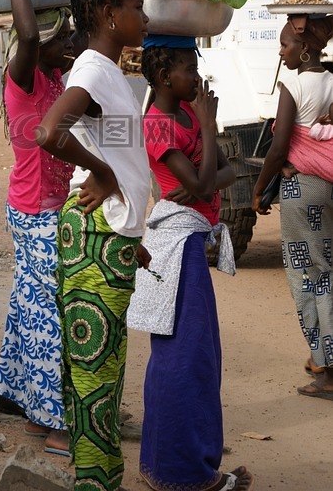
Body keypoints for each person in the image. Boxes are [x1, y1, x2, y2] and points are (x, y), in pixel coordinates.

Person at [37, 0, 152, 491]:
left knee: (100, 374)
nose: (144, 17)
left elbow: (122, 153)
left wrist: (133, 236)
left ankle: (101, 480)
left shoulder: (111, 72)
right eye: (137, 5)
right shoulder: (93, 69)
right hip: (93, 234)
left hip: (109, 237)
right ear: (109, 14)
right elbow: (48, 130)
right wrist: (102, 174)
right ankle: (94, 483)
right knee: (92, 377)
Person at [127, 36, 254, 491]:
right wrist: (207, 124)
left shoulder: (184, 118)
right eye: (187, 68)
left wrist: (204, 168)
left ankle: (167, 466)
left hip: (188, 244)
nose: (196, 78)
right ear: (164, 76)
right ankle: (187, 474)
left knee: (190, 357)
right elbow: (205, 185)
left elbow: (228, 172)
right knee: (185, 360)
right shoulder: (158, 124)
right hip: (177, 247)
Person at [0, 0, 75, 454]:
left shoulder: (57, 80)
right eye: (60, 36)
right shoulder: (22, 76)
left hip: (43, 209)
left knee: (31, 303)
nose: (70, 43)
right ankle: (55, 421)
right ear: (39, 41)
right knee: (47, 314)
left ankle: (29, 410)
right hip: (34, 211)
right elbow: (25, 35)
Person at [252, 14, 333, 401]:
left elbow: (280, 145)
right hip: (329, 187)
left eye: (284, 45)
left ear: (303, 49)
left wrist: (259, 186)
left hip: (302, 189)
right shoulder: (332, 81)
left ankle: (325, 368)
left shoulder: (293, 84)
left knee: (308, 277)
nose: (281, 52)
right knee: (328, 271)